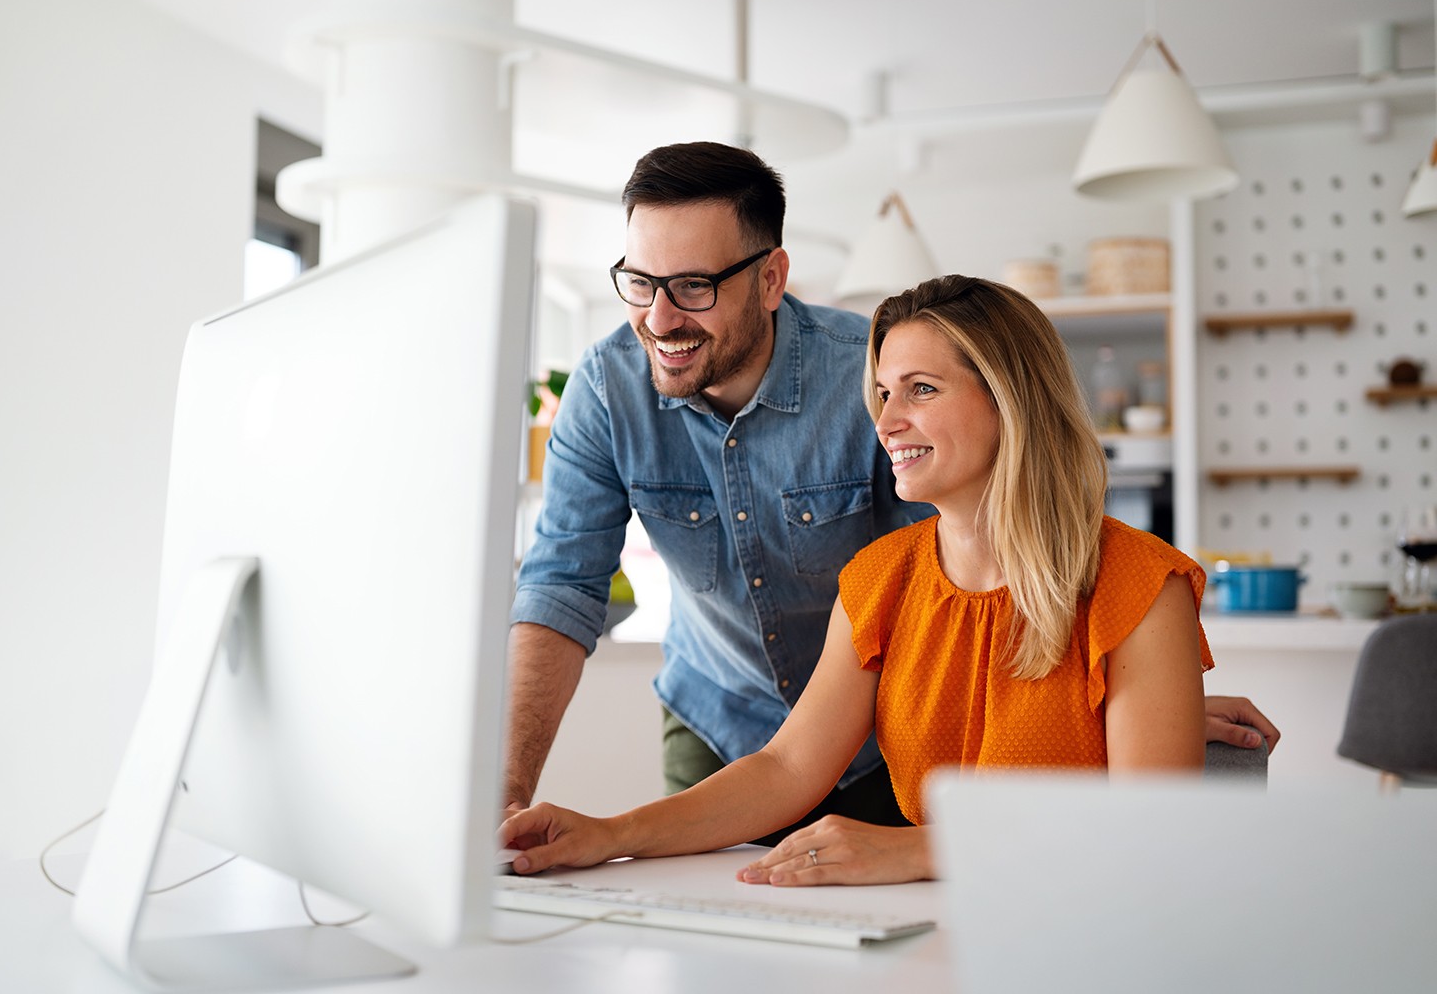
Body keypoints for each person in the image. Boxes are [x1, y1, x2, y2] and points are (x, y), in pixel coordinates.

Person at [504, 141, 1278, 844]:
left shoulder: (1133, 585)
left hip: (897, 764)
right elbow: (564, 590)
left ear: (771, 278)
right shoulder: (877, 576)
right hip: (722, 716)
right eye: (640, 283)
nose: (659, 316)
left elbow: (1008, 591)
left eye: (695, 285)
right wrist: (566, 818)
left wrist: (1129, 710)